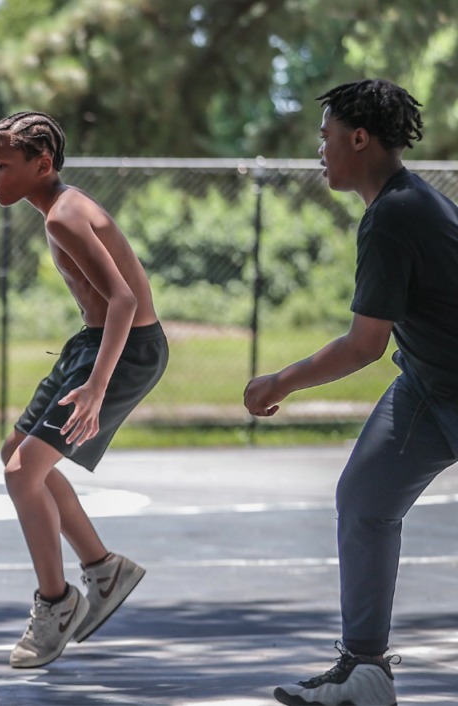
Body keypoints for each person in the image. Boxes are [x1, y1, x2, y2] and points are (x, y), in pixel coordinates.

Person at [244, 79, 458, 706]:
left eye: (326, 134)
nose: (321, 147)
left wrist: (279, 381)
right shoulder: (399, 205)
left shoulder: (398, 212)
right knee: (364, 500)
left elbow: (364, 344)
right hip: (428, 384)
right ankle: (365, 672)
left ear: (358, 138)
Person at [0, 112, 168, 668]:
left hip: (125, 350)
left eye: (1, 166)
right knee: (16, 453)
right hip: (92, 341)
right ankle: (104, 569)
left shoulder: (63, 216)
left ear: (42, 165)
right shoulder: (61, 208)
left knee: (23, 474)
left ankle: (58, 603)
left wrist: (96, 386)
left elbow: (125, 301)